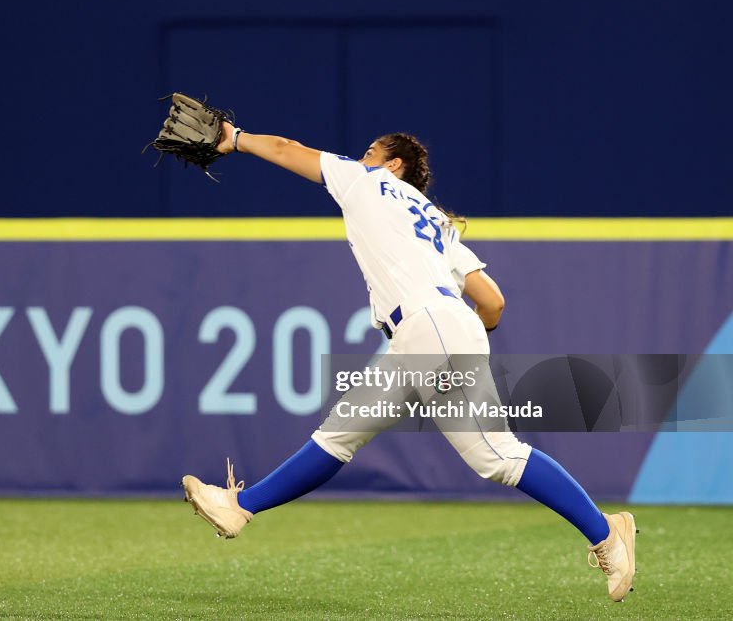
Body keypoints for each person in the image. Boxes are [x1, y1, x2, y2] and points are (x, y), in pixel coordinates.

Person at [180, 122, 637, 602]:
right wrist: (459, 336)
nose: (362, 156)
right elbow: (494, 303)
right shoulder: (439, 222)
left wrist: (235, 138)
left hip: (428, 326)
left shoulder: (365, 179)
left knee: (461, 450)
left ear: (392, 164)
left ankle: (607, 533)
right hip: (441, 328)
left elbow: (285, 148)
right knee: (401, 443)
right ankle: (239, 508)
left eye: (370, 151)